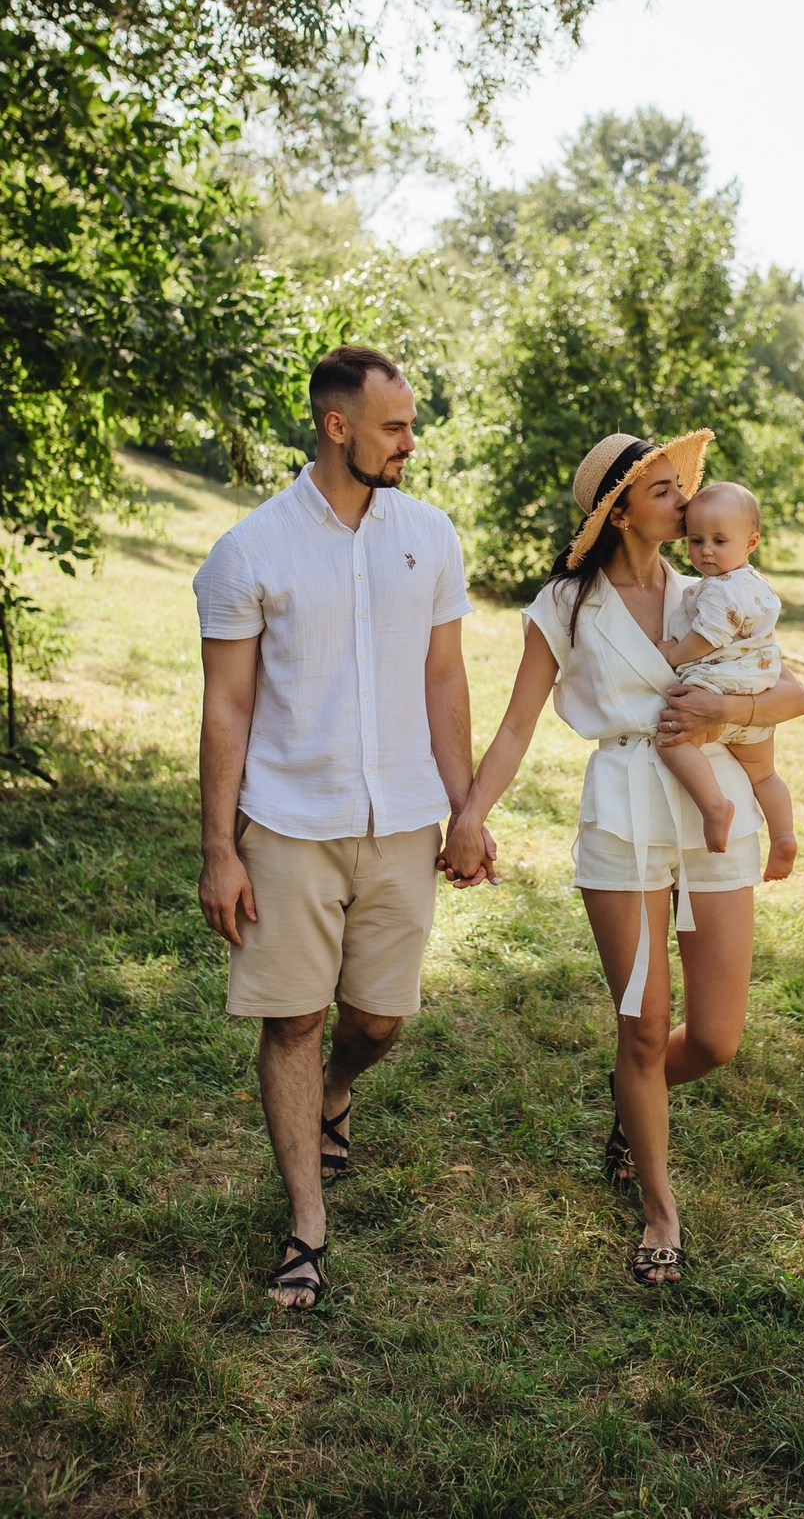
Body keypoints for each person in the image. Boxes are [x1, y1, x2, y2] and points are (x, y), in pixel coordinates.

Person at [440, 431, 804, 1286]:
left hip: (718, 806)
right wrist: (470, 815)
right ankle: (659, 1208)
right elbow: (517, 727)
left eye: (686, 487)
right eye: (665, 489)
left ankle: (631, 1104)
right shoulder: (566, 606)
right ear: (619, 509)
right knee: (641, 1029)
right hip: (623, 816)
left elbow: (793, 692)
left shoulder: (709, 588)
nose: (686, 501)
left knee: (715, 1040)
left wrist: (726, 709)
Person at [193, 345, 494, 1311]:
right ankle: (305, 1229)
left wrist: (468, 808)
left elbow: (443, 678)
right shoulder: (249, 552)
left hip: (404, 814)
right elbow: (226, 708)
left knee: (376, 1020)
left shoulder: (431, 536)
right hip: (287, 820)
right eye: (395, 427)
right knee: (295, 1020)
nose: (411, 442)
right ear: (337, 427)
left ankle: (338, 1090)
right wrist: (218, 849)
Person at [653, 481, 796, 883]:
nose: (706, 551)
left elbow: (708, 637)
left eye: (719, 540)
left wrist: (673, 653)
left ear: (750, 542)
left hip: (715, 687)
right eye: (696, 541)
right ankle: (783, 835)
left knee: (673, 740)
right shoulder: (758, 585)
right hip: (759, 694)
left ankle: (714, 806)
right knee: (765, 775)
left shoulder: (719, 590)